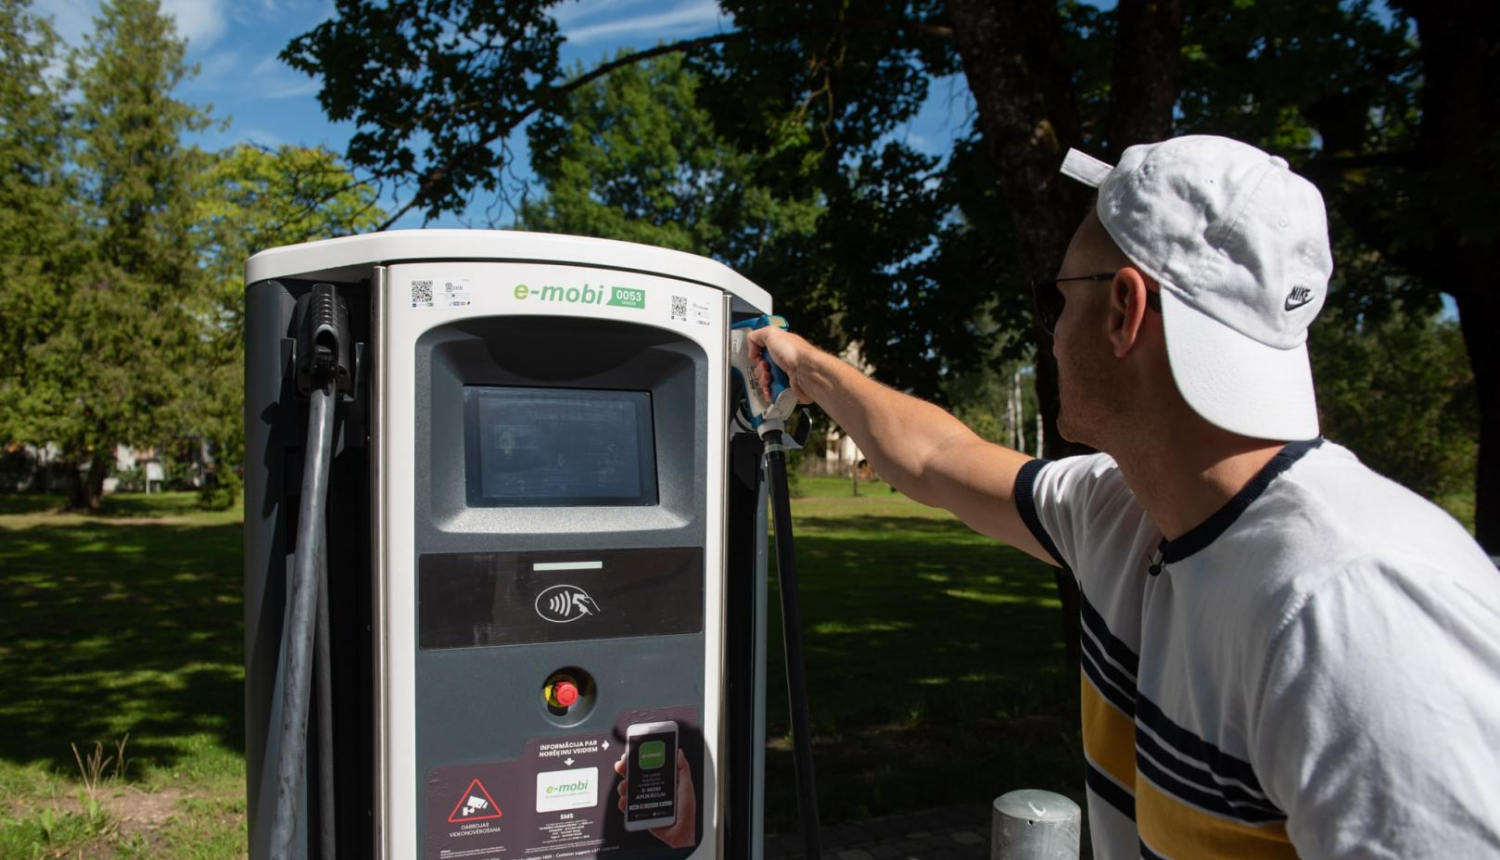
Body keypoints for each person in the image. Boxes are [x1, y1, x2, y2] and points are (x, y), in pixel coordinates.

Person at [747, 135, 1500, 859]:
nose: (1052, 335)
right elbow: (936, 456)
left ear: (1123, 311)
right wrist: (805, 365)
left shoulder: (1355, 609)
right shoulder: (1122, 510)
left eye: (1057, 300)